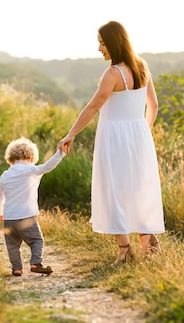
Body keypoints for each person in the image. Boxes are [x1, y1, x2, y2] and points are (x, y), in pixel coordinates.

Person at [58, 21, 164, 265]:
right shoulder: (142, 67)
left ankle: (125, 249)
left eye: (102, 43)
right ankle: (149, 242)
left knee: (114, 190)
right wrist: (142, 133)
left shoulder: (113, 73)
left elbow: (94, 106)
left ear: (114, 43)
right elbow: (154, 105)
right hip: (139, 136)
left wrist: (71, 134)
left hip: (115, 137)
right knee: (136, 188)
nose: (99, 48)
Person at [0, 137, 65, 276]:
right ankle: (35, 263)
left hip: (9, 217)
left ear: (10, 158)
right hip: (27, 216)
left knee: (12, 245)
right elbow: (48, 166)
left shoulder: (5, 174)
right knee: (36, 240)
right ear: (32, 156)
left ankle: (16, 268)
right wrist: (60, 153)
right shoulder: (31, 170)